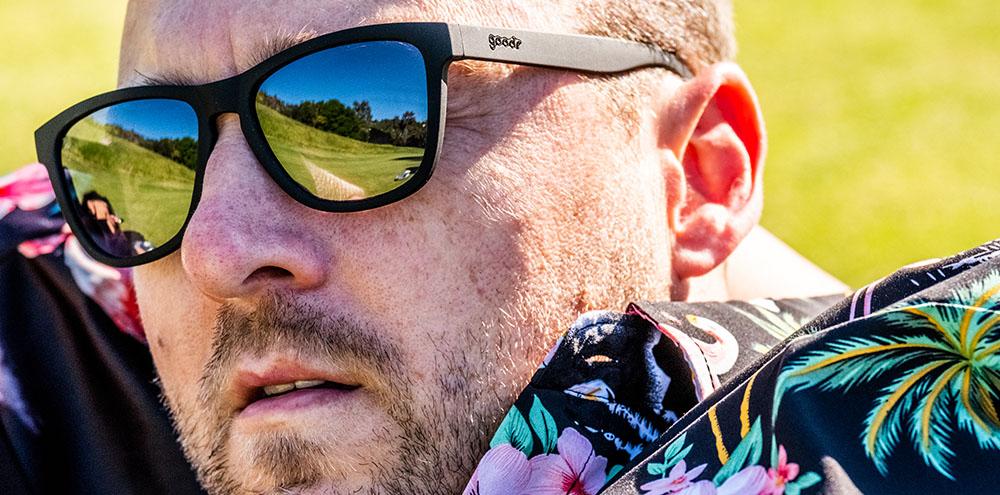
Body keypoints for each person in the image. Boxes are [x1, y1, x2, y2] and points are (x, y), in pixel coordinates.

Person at [3, 0, 999, 494]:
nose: (216, 254)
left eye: (360, 118)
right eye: (156, 147)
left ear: (698, 175)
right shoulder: (52, 324)